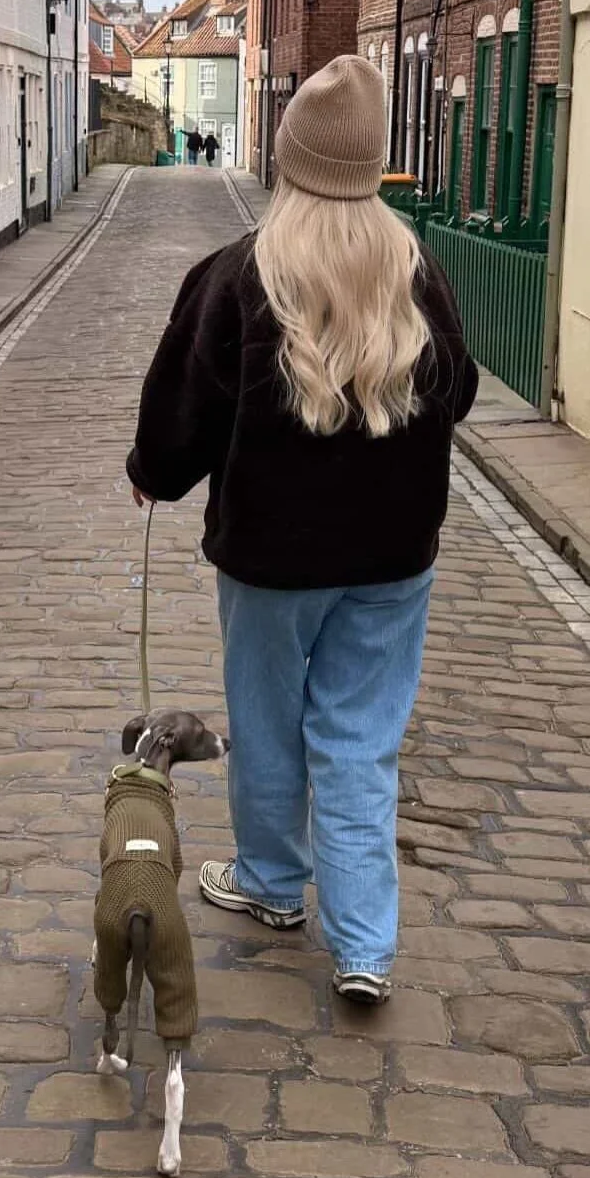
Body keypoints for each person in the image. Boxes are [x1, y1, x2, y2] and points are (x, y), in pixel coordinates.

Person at [126, 56, 478, 1005]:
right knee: (361, 744)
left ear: (287, 162)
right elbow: (461, 393)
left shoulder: (238, 275)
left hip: (270, 560)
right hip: (394, 558)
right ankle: (363, 946)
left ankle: (275, 885)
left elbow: (183, 409)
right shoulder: (415, 274)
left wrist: (153, 477)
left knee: (271, 726)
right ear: (370, 168)